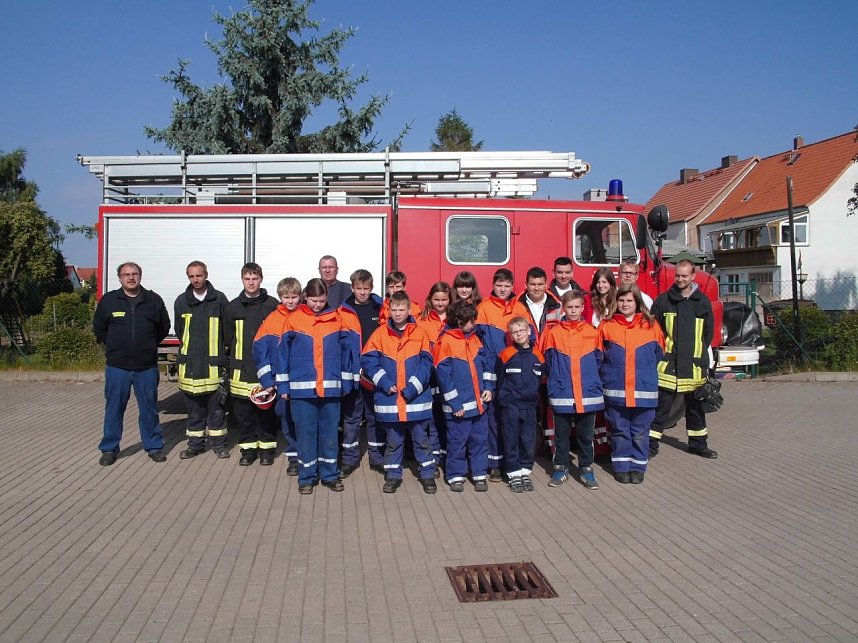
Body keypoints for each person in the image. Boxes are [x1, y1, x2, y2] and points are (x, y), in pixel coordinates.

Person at [276, 278, 359, 494]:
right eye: (313, 300)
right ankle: (306, 477)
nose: (317, 305)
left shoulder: (337, 319)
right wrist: (283, 387)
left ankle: (330, 475)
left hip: (331, 389)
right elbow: (282, 355)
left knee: (330, 434)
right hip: (302, 391)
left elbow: (346, 353)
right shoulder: (293, 320)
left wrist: (347, 381)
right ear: (305, 296)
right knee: (306, 435)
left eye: (321, 301)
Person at [93, 262, 171, 465]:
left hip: (146, 367)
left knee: (149, 409)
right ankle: (109, 449)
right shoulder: (109, 301)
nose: (130, 278)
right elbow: (99, 329)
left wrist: (147, 345)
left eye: (134, 274)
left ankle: (154, 446)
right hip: (117, 367)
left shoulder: (153, 300)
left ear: (140, 276)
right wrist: (114, 346)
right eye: (126, 274)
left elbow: (164, 327)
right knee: (114, 409)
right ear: (119, 278)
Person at [361, 291, 436, 494]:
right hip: (390, 400)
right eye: (393, 309)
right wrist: (385, 383)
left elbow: (427, 364)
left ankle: (428, 475)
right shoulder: (379, 334)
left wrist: (412, 388)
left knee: (422, 441)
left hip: (415, 400)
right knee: (393, 443)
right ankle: (393, 476)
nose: (397, 313)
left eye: (401, 309)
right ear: (388, 310)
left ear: (409, 310)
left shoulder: (420, 333)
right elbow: (368, 362)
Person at [649, 260, 719, 459]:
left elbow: (707, 335)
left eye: (684, 276)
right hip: (669, 366)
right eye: (678, 275)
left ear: (693, 277)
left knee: (696, 410)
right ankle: (650, 446)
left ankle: (698, 445)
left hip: (694, 367)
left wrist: (701, 360)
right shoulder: (664, 301)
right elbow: (656, 333)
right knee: (661, 410)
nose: (680, 279)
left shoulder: (702, 302)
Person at [599, 284, 664, 484]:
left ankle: (637, 468)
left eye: (629, 300)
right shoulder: (607, 325)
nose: (625, 304)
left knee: (639, 432)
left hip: (643, 389)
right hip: (616, 389)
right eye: (621, 300)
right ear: (615, 302)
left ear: (637, 302)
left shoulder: (651, 325)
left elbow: (659, 353)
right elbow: (599, 356)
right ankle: (620, 466)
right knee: (619, 430)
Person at [540, 290, 604, 489]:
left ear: (583, 308)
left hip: (587, 392)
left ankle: (586, 470)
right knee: (561, 435)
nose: (573, 311)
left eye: (577, 307)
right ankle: (560, 468)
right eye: (570, 307)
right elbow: (547, 361)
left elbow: (599, 360)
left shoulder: (592, 332)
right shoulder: (554, 333)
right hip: (563, 392)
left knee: (586, 436)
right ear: (563, 309)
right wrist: (559, 379)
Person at [476, 268, 533, 481]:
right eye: (499, 285)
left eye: (507, 286)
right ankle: (495, 464)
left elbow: (530, 339)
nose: (503, 289)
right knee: (493, 420)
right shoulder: (483, 308)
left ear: (512, 287)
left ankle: (513, 462)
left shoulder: (520, 308)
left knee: (512, 421)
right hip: (491, 372)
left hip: (515, 373)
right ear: (493, 285)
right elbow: (478, 342)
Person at [434, 300, 494, 492]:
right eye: (470, 321)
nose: (474, 324)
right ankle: (455, 476)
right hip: (458, 409)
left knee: (479, 441)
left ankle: (479, 474)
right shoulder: (446, 341)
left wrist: (489, 387)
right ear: (460, 321)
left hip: (479, 405)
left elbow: (486, 366)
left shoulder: (476, 339)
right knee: (457, 443)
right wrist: (455, 404)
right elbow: (444, 377)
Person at [223, 262, 279, 466]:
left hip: (264, 371)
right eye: (247, 279)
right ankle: (248, 451)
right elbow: (228, 338)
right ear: (242, 280)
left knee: (266, 413)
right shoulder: (233, 307)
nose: (251, 282)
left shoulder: (272, 305)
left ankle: (267, 450)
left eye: (254, 278)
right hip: (240, 371)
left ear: (261, 279)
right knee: (244, 415)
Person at [173, 260, 230, 460]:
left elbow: (227, 332)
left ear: (206, 275)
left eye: (199, 275)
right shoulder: (181, 301)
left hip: (213, 366)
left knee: (217, 411)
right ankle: (195, 445)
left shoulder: (219, 299)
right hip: (190, 367)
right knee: (194, 411)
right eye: (192, 276)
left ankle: (219, 445)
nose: (196, 280)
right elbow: (180, 331)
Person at [252, 277, 302, 473]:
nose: (290, 301)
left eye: (294, 297)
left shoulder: (306, 317)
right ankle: (294, 458)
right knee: (287, 419)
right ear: (280, 297)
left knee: (304, 420)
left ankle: (307, 454)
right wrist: (267, 380)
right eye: (286, 297)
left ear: (301, 297)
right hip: (280, 383)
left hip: (302, 381)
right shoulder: (272, 319)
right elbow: (259, 350)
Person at [339, 269, 385, 477]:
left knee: (375, 416)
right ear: (352, 288)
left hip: (375, 372)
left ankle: (377, 458)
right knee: (351, 418)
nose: (363, 293)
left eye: (366, 288)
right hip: (353, 374)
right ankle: (349, 459)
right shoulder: (343, 311)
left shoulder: (381, 309)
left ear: (372, 288)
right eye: (359, 288)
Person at [496, 317, 545, 493]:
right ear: (510, 335)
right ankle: (514, 473)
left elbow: (541, 378)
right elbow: (499, 380)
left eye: (522, 331)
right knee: (511, 440)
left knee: (527, 440)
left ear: (529, 331)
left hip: (530, 406)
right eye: (515, 332)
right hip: (511, 406)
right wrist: (503, 400)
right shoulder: (506, 354)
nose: (519, 334)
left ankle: (525, 471)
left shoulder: (538, 355)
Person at [417, 282, 452, 472]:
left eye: (444, 300)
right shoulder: (420, 320)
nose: (440, 303)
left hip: (449, 376)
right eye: (436, 299)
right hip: (429, 377)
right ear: (430, 299)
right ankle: (434, 457)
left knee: (448, 418)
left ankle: (447, 456)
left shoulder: (454, 319)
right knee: (431, 420)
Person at [518, 266, 562, 339]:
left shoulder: (558, 307)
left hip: (550, 349)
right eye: (533, 284)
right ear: (526, 285)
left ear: (546, 285)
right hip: (528, 350)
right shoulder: (516, 306)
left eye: (540, 284)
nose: (537, 288)